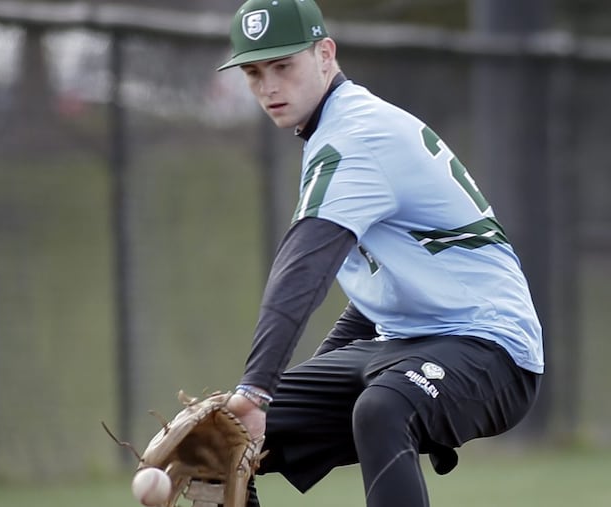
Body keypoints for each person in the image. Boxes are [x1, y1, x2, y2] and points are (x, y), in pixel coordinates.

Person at [216, 0, 545, 506]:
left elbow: (304, 269)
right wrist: (308, 393)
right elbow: (385, 285)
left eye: (284, 65)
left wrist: (258, 388)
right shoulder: (336, 130)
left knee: (382, 410)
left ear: (325, 54)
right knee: (224, 442)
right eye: (254, 72)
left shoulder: (356, 138)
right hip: (404, 344)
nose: (269, 86)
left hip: (492, 348)